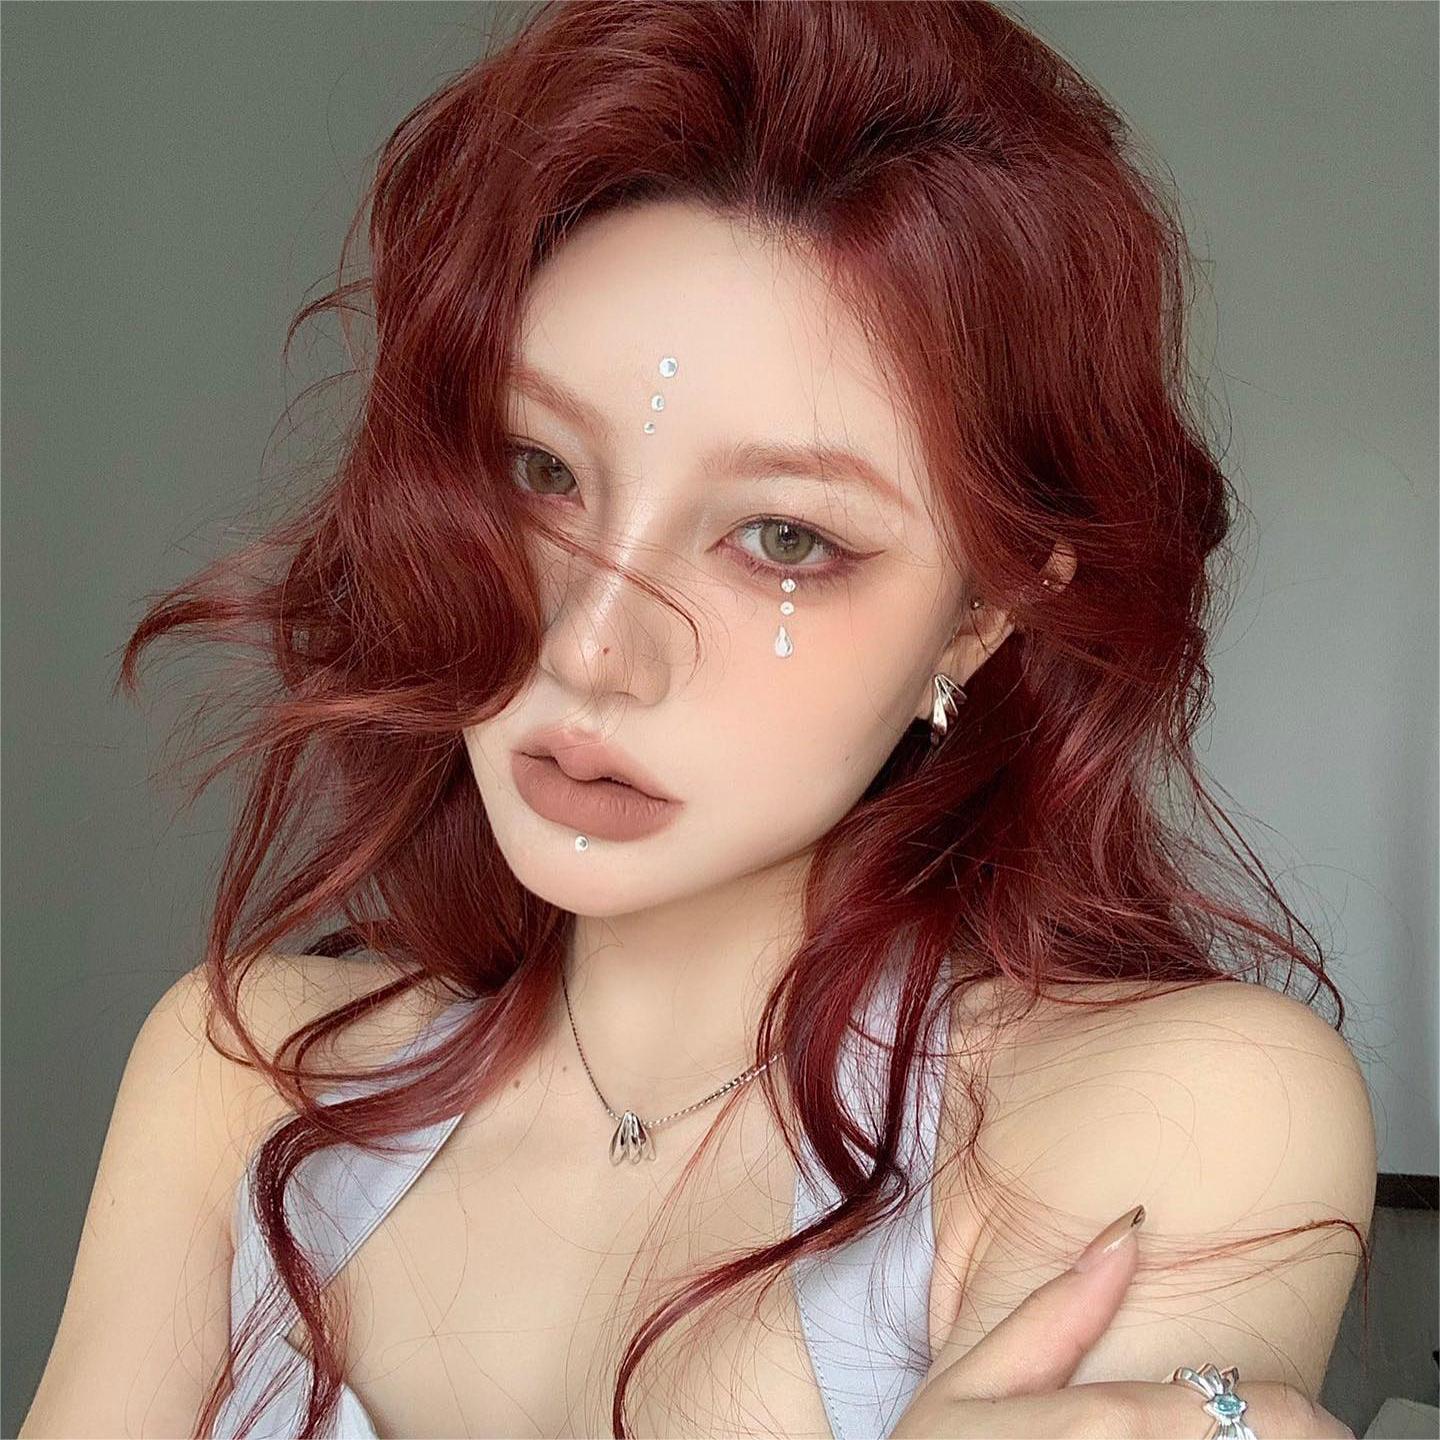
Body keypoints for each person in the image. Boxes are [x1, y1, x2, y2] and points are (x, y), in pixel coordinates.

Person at [21, 2, 1374, 1437]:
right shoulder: (246, 1074)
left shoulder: (1177, 1106)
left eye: (786, 537)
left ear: (981, 616)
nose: (590, 647)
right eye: (538, 468)